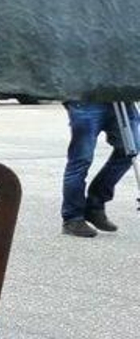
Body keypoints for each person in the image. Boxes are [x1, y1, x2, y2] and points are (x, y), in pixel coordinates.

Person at [61, 101, 138, 237]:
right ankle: (73, 218)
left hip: (122, 100)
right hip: (86, 100)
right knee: (81, 159)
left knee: (131, 148)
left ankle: (95, 204)